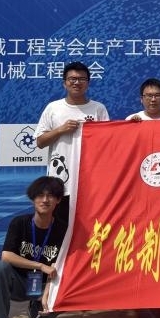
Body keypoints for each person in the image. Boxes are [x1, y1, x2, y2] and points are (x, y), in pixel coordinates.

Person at [0, 176, 68, 318]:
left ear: (58, 200)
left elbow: (58, 266)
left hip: (45, 287)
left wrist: (48, 296)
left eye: (50, 196)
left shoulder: (63, 229)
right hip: (20, 283)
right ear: (33, 198)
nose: (45, 200)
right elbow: (6, 256)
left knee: (70, 282)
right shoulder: (19, 223)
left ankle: (40, 313)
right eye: (40, 195)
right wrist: (40, 265)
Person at [34, 61, 109, 225]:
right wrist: (60, 130)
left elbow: (108, 143)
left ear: (88, 83)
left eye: (82, 79)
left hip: (90, 180)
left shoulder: (98, 109)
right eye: (72, 79)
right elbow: (40, 142)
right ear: (64, 83)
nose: (77, 82)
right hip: (60, 180)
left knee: (90, 226)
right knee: (59, 226)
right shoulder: (53, 108)